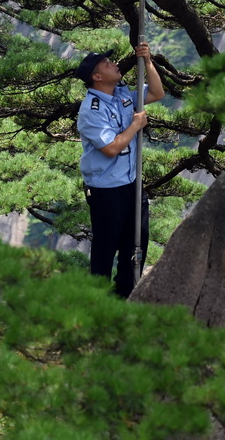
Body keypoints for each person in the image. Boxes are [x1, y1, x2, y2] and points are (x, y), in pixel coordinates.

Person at [75, 42, 164, 297]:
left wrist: (148, 63)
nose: (114, 64)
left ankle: (125, 297)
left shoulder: (122, 94)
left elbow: (157, 93)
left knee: (136, 246)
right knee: (105, 250)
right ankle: (98, 304)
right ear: (97, 77)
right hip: (106, 190)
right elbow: (111, 148)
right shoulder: (91, 110)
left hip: (132, 184)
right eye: (106, 63)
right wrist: (136, 126)